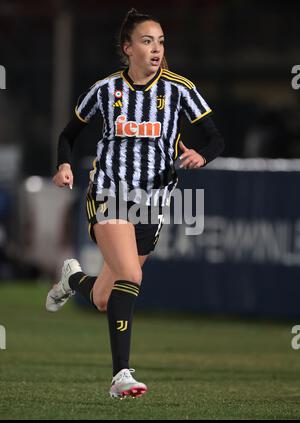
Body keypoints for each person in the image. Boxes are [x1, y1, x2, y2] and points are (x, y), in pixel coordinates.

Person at [46, 8, 225, 399]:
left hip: (153, 205)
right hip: (109, 192)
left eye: (161, 41)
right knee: (132, 276)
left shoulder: (179, 89)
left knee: (105, 297)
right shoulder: (106, 90)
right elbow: (68, 134)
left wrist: (202, 156)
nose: (156, 48)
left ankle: (72, 278)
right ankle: (120, 375)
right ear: (128, 48)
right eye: (147, 41)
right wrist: (63, 164)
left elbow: (215, 139)